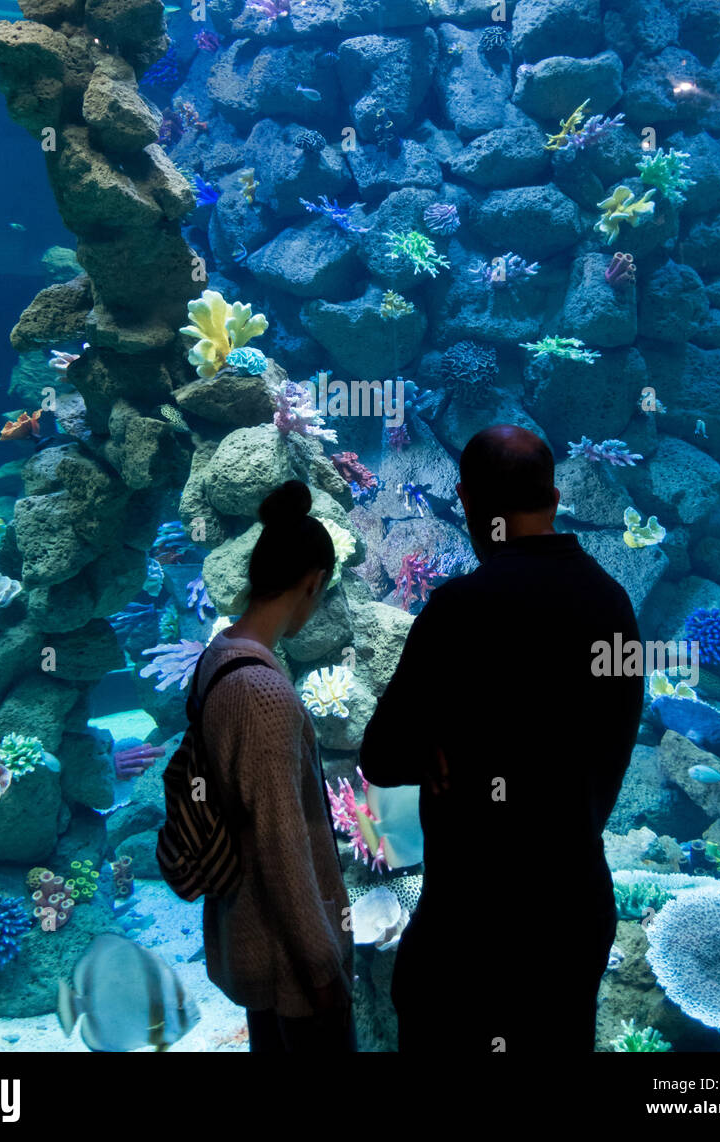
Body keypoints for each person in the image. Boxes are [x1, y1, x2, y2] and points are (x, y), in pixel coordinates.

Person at [360, 425, 643, 1055]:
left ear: (464, 498)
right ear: (555, 493)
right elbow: (610, 739)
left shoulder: (460, 609)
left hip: (472, 925)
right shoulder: (613, 605)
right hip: (574, 913)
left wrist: (431, 746)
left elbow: (381, 756)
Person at [195, 479, 355, 1053]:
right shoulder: (264, 694)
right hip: (291, 964)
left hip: (248, 937)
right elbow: (283, 849)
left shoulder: (217, 659)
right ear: (311, 584)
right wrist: (323, 971)